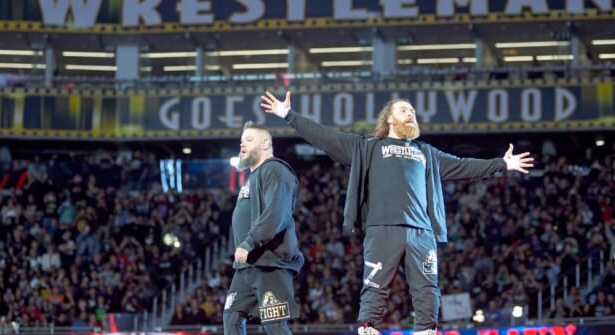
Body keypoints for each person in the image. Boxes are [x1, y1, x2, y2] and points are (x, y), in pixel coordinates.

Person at [260, 92, 533, 335]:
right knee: (375, 285)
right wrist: (289, 115)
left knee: (428, 289)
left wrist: (501, 164)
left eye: (413, 111)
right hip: (382, 229)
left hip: (422, 232)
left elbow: (464, 167)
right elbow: (325, 137)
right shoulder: (366, 147)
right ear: (389, 118)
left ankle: (426, 330)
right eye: (405, 110)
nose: (411, 113)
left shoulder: (427, 153)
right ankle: (368, 328)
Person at [223, 121, 304, 335]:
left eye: (249, 140)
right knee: (231, 317)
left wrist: (249, 242)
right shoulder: (254, 176)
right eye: (241, 141)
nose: (242, 145)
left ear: (266, 143)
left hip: (270, 262)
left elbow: (276, 214)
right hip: (248, 265)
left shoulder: (275, 170)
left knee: (274, 325)